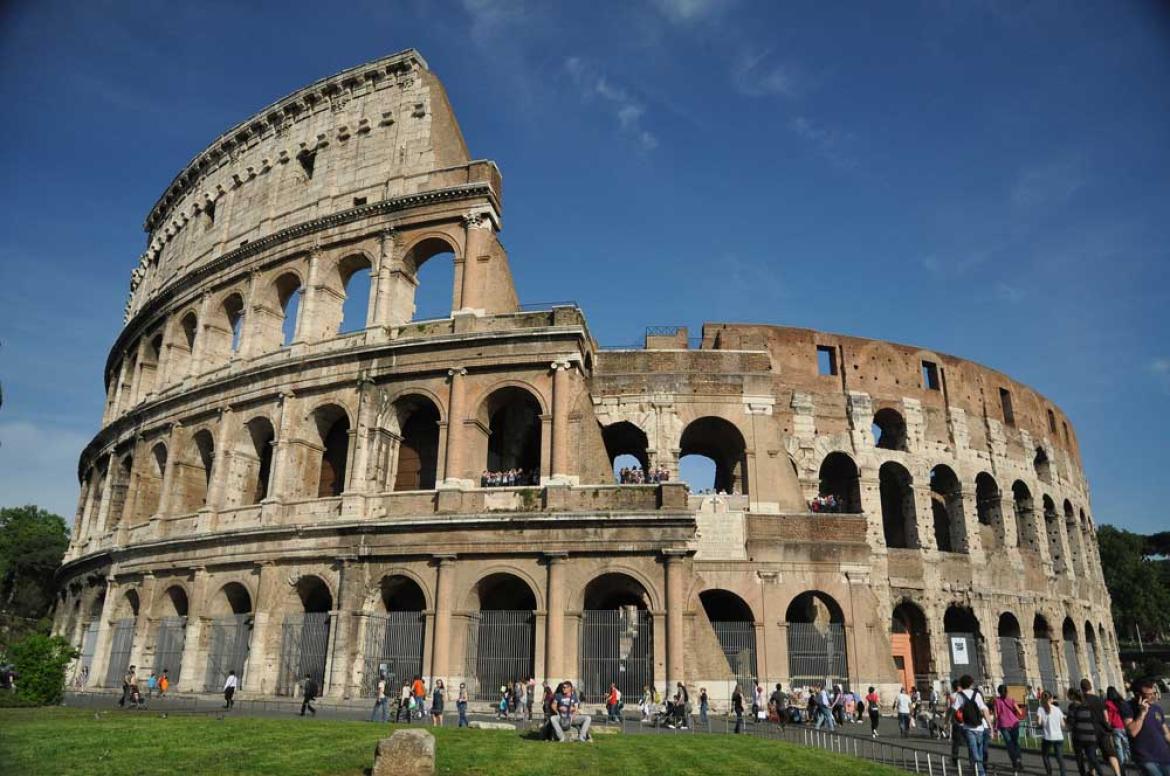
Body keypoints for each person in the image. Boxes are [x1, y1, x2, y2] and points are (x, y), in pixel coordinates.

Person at [1122, 678, 1170, 776]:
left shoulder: (1157, 708)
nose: (1153, 696)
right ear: (1138, 695)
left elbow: (1166, 733)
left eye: (1154, 693)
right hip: (1145, 757)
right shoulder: (1128, 707)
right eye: (1149, 694)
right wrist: (1142, 713)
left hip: (1164, 755)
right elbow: (1132, 732)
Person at [952, 674, 992, 776]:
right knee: (979, 752)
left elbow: (953, 710)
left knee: (974, 752)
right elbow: (984, 709)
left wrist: (948, 720)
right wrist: (990, 726)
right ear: (971, 683)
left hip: (968, 727)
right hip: (980, 727)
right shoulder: (977, 694)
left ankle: (981, 773)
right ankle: (980, 771)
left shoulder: (960, 696)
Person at [1080, 679, 1121, 776]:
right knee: (1110, 753)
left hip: (1089, 731)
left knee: (1091, 755)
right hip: (1102, 730)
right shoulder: (1099, 699)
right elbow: (1106, 717)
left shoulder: (1081, 701)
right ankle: (1118, 774)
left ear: (1082, 689)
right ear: (1090, 687)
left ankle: (1092, 774)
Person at [1068, 688, 1108, 776]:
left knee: (1079, 759)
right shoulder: (1087, 705)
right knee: (1092, 758)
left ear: (1072, 696)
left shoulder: (1073, 706)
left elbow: (1071, 722)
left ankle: (1083, 774)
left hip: (1078, 736)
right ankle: (1101, 774)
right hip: (1091, 735)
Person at [993, 684, 1024, 773]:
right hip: (1014, 723)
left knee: (1009, 745)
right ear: (1007, 691)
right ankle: (1019, 760)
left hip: (1003, 724)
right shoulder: (1011, 700)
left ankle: (1014, 763)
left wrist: (995, 727)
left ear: (998, 692)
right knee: (1016, 743)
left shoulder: (996, 701)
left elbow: (995, 715)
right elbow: (1020, 712)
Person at [1037, 691, 1069, 776]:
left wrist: (1043, 724)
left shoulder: (1040, 709)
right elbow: (1063, 724)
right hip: (1059, 737)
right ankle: (1063, 774)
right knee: (1060, 759)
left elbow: (1039, 723)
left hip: (1048, 737)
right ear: (1051, 699)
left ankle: (1049, 773)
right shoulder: (1057, 709)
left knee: (1045, 756)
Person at [1104, 686, 1130, 767]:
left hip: (1115, 726)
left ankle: (1122, 762)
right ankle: (1127, 758)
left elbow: (1109, 716)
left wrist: (1108, 725)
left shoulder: (1108, 703)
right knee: (1127, 744)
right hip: (1123, 724)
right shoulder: (1121, 701)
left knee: (1118, 746)